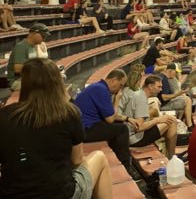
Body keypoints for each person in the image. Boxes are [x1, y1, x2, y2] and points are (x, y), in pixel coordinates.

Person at [0, 58, 116, 199]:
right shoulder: (70, 113)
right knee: (100, 157)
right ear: (57, 82)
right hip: (60, 194)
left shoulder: (5, 115)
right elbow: (77, 160)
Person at [74, 69, 148, 181]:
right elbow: (110, 119)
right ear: (114, 80)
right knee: (122, 129)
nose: (120, 89)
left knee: (120, 124)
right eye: (121, 85)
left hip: (86, 126)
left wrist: (128, 119)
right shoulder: (101, 90)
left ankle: (118, 160)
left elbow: (110, 115)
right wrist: (117, 100)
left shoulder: (98, 87)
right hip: (85, 130)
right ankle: (126, 167)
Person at [120, 70, 181, 158]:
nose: (161, 90)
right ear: (150, 86)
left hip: (129, 134)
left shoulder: (138, 94)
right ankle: (172, 157)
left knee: (166, 120)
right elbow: (139, 127)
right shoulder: (141, 99)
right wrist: (157, 120)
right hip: (135, 138)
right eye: (159, 87)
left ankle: (168, 154)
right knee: (172, 121)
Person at [8, 24, 49, 93]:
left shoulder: (34, 46)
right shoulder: (21, 46)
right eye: (43, 36)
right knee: (46, 85)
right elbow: (17, 69)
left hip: (29, 78)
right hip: (17, 81)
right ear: (34, 33)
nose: (44, 38)